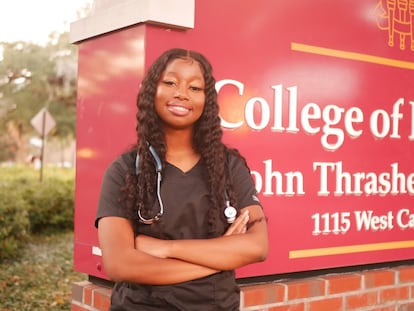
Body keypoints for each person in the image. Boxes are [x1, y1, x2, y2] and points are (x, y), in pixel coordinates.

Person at [95, 48, 269, 310]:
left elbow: (257, 246)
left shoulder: (229, 167)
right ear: (151, 90)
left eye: (195, 87)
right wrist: (221, 254)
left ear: (206, 100)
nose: (182, 93)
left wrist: (166, 249)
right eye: (170, 82)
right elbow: (120, 264)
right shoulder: (125, 170)